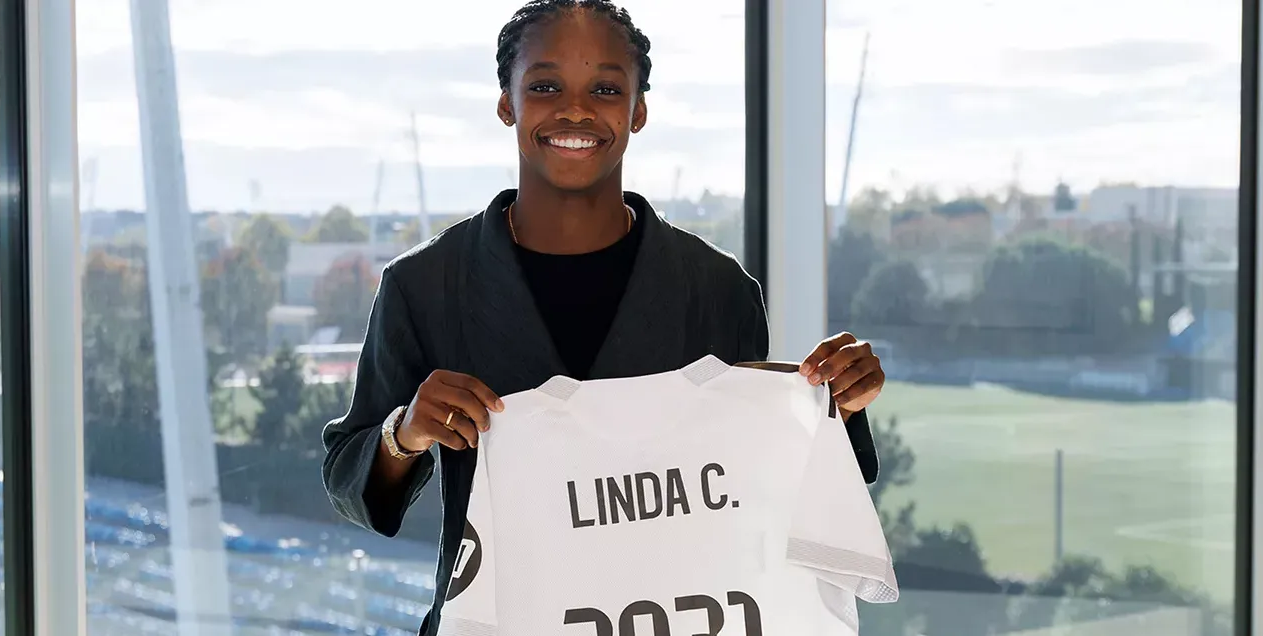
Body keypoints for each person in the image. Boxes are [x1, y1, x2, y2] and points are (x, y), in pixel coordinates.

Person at [321, 1, 887, 633]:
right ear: (507, 102)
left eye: (606, 89)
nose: (574, 110)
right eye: (544, 86)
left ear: (638, 109)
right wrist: (406, 435)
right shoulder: (423, 286)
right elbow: (350, 484)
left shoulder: (718, 288)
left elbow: (763, 479)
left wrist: (840, 406)